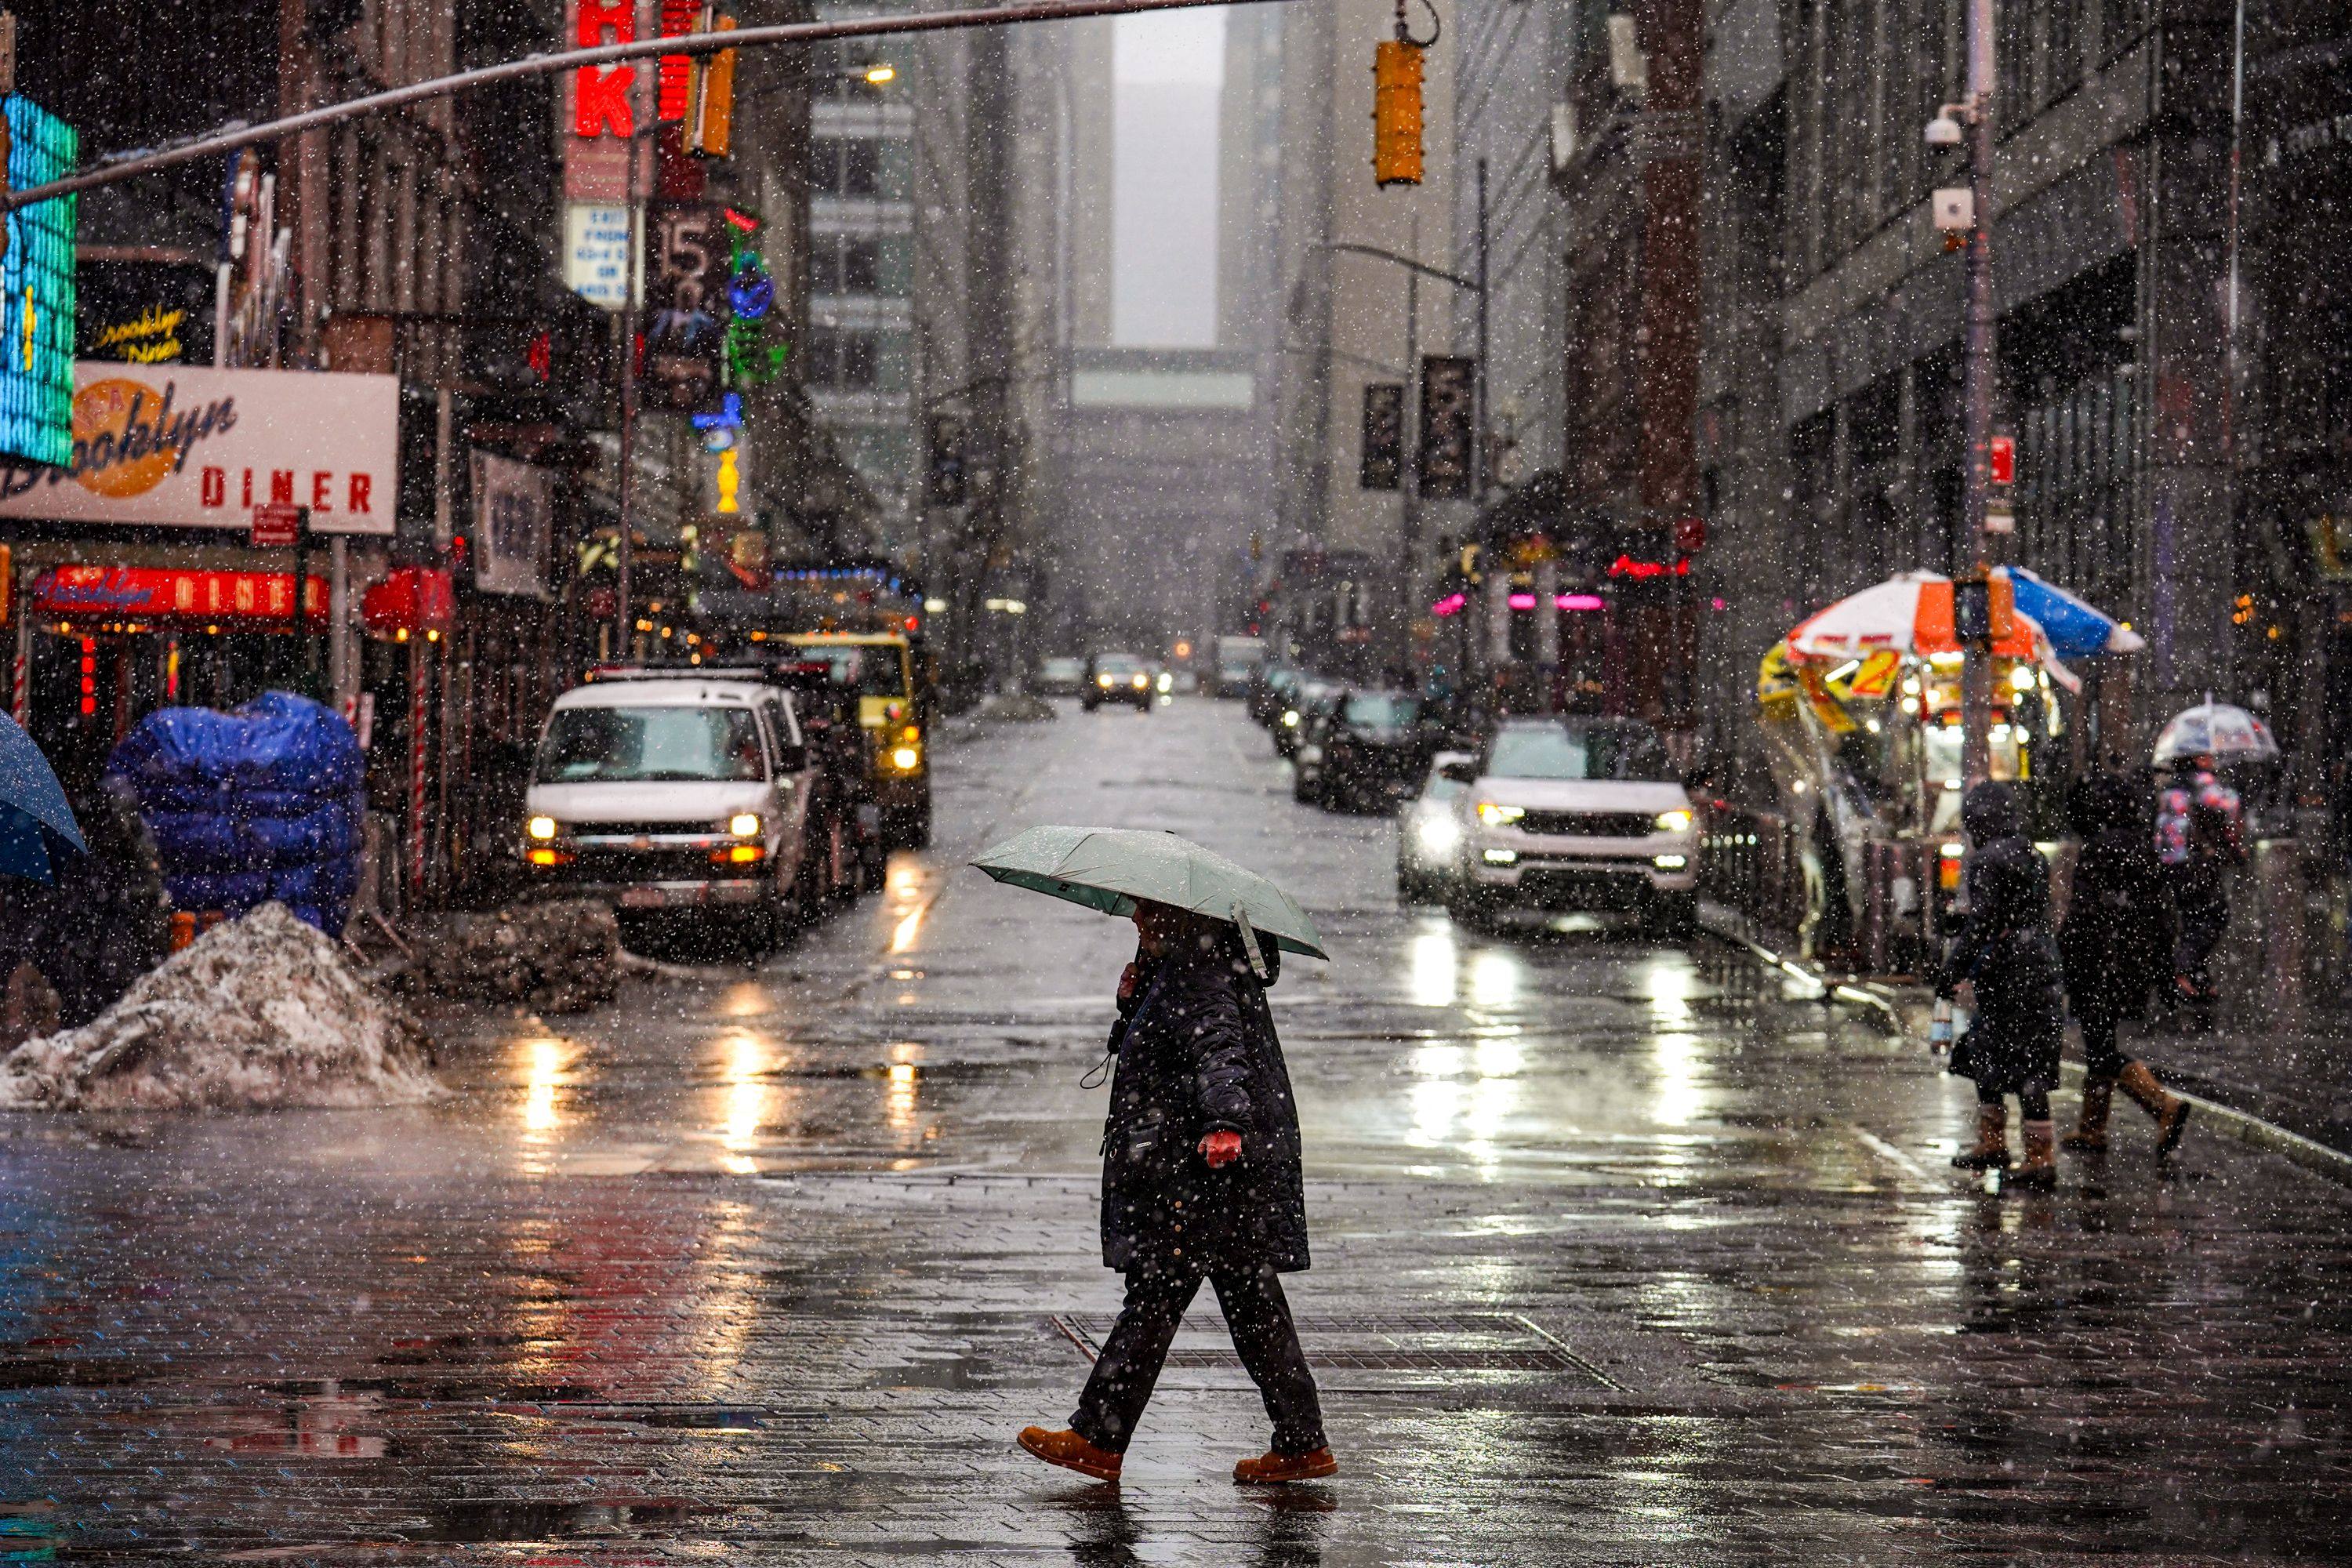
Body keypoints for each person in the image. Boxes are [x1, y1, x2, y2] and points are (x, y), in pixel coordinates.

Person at [1019, 898, 1334, 1486]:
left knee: (1159, 1295)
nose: (1136, 921)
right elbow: (1167, 1041)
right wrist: (1133, 999)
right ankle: (1300, 1442)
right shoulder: (1183, 962)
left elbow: (1219, 1046)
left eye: (1146, 912)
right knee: (1250, 1303)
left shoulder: (1199, 966)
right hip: (1210, 1175)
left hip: (1205, 1173)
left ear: (1178, 915)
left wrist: (1224, 1124)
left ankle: (1098, 1437)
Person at [1938, 782, 2066, 1189]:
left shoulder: (1985, 861)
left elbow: (1986, 922)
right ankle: (2037, 1153)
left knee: (1989, 1051)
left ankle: (1995, 1142)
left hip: (2009, 972)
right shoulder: (2032, 854)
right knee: (2031, 1061)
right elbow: (2021, 911)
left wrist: (1953, 968)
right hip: (2040, 966)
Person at [2059, 772, 2190, 1156]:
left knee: (2101, 1047)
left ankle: (2162, 1105)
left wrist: (2063, 958)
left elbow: (2082, 914)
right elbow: (2160, 916)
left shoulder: (2099, 848)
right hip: (2129, 964)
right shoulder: (2142, 847)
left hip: (2098, 961)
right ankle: (2092, 1127)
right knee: (2102, 1041)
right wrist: (2163, 972)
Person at [2154, 752, 2245, 1031]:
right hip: (2198, 861)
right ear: (2196, 759)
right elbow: (2229, 804)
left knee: (2193, 916)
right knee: (2216, 915)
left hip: (2173, 863)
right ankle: (2181, 967)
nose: (2212, 758)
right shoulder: (2202, 784)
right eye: (2206, 756)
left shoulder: (2170, 789)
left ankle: (2199, 979)